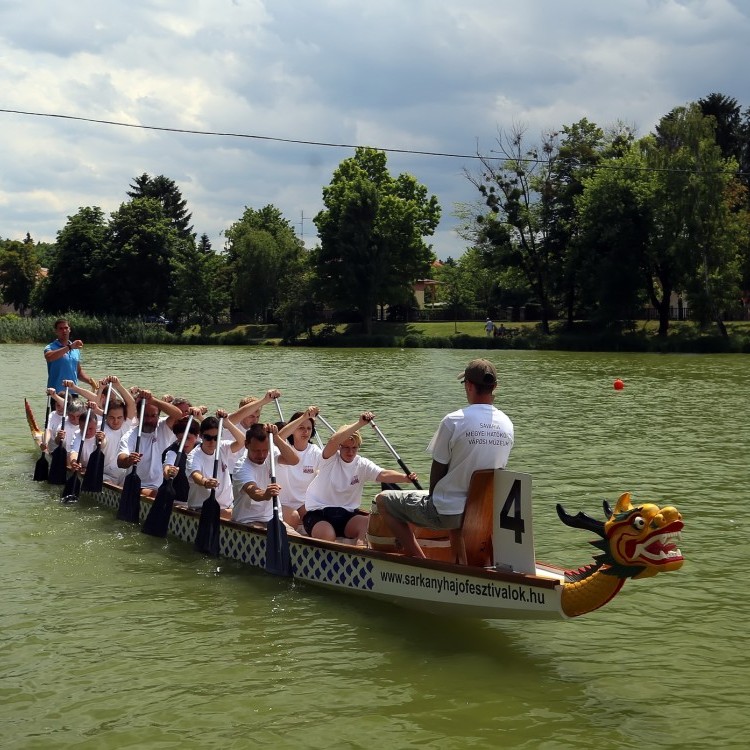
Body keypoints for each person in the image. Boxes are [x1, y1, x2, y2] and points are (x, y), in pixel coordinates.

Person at [375, 358, 514, 559]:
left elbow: (437, 473)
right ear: (495, 387)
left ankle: (421, 563)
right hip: (484, 512)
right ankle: (461, 564)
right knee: (454, 498)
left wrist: (433, 500)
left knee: (383, 501)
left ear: (469, 385)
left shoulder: (453, 421)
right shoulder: (507, 424)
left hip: (449, 513)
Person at [303, 412, 417, 546]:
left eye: (354, 448)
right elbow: (334, 440)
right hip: (319, 514)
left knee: (368, 524)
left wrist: (405, 478)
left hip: (347, 516)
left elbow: (383, 474)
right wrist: (360, 424)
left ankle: (361, 553)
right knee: (328, 536)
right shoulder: (329, 459)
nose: (350, 452)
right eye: (346, 447)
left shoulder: (362, 464)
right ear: (339, 447)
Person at [116, 389, 184, 497]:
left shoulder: (163, 427)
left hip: (165, 484)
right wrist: (129, 459)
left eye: (153, 416)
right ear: (138, 415)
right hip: (139, 486)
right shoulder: (130, 436)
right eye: (146, 415)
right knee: (157, 495)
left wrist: (153, 400)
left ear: (158, 416)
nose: (149, 420)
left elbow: (178, 414)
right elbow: (120, 461)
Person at [231, 423, 299, 527]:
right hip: (247, 521)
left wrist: (276, 438)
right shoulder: (241, 467)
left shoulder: (271, 454)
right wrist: (266, 494)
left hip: (273, 519)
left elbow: (294, 460)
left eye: (265, 450)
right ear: (246, 445)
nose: (262, 455)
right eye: (256, 451)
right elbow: (253, 492)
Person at [185, 411, 246, 515]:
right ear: (201, 436)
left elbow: (242, 441)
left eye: (216, 438)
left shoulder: (222, 447)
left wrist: (227, 422)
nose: (212, 442)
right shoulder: (194, 456)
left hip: (227, 506)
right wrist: (205, 482)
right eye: (208, 438)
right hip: (202, 509)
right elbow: (195, 475)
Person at [276, 407, 322, 528]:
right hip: (282, 502)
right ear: (292, 430)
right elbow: (279, 437)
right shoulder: (283, 447)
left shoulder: (315, 451)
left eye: (308, 428)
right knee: (293, 517)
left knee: (318, 517)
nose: (305, 432)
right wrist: (304, 417)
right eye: (301, 428)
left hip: (303, 502)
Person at [43, 318, 96, 392]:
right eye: (61, 328)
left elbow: (78, 372)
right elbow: (49, 357)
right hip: (57, 394)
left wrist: (90, 381)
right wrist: (70, 347)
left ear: (69, 330)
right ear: (56, 331)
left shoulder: (75, 349)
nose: (64, 331)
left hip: (73, 392)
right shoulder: (51, 347)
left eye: (66, 328)